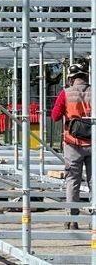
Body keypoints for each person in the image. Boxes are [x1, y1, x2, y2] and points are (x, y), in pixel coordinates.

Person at [50, 62, 92, 230]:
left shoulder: (65, 93)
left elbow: (54, 116)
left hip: (72, 143)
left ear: (70, 78)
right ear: (86, 76)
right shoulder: (94, 92)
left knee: (72, 180)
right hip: (93, 142)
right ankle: (94, 219)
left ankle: (71, 219)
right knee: (93, 181)